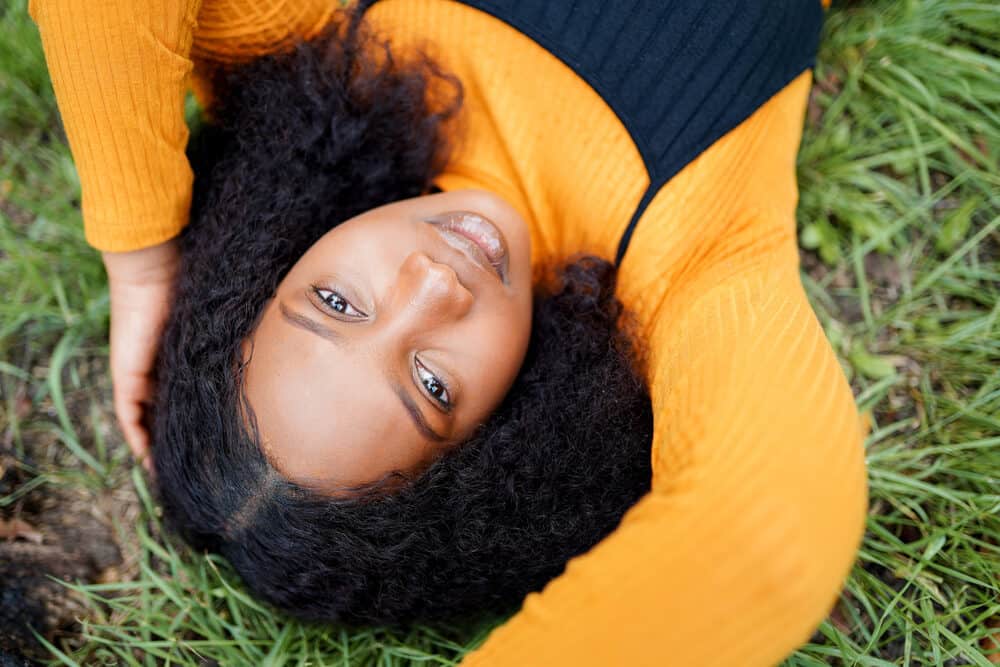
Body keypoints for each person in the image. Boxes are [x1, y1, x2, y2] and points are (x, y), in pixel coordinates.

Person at [31, 0, 869, 664]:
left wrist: (139, 248)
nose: (432, 285)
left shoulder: (313, 30)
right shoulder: (692, 270)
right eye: (431, 386)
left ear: (273, 262)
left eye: (335, 302)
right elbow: (764, 534)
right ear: (494, 453)